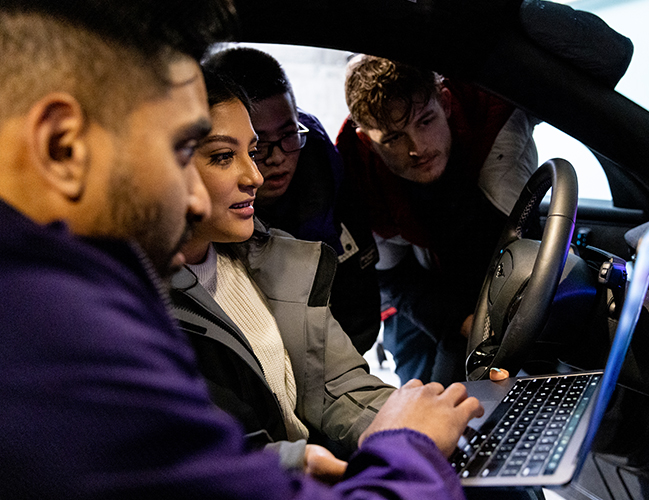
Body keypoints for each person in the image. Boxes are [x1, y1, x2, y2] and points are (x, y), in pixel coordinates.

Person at [0, 2, 483, 498]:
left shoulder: (64, 304)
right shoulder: (59, 343)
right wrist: (409, 448)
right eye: (184, 151)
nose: (192, 197)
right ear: (62, 147)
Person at [170, 69, 393, 480]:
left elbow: (336, 385)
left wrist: (407, 419)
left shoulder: (270, 258)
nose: (254, 176)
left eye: (250, 152)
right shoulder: (143, 307)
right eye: (222, 156)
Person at [337, 55, 542, 385]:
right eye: (393, 138)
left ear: (445, 102)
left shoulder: (495, 122)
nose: (417, 148)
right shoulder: (361, 181)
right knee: (424, 382)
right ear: (367, 142)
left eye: (425, 121)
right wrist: (462, 321)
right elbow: (395, 279)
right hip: (430, 289)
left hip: (496, 269)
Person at [203, 47, 381, 355]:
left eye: (288, 135)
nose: (278, 158)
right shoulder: (202, 229)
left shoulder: (328, 175)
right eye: (258, 144)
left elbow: (360, 308)